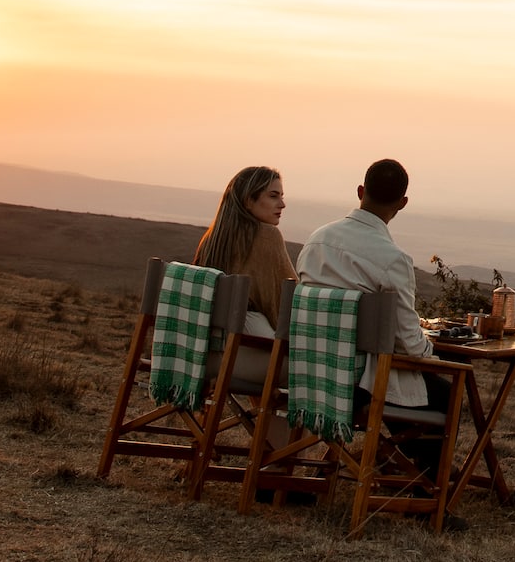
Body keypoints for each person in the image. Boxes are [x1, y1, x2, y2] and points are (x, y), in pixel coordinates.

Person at [295, 157, 448, 420]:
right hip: (357, 385)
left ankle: (393, 459)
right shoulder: (393, 258)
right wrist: (433, 354)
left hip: (307, 372)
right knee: (445, 390)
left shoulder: (316, 240)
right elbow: (409, 344)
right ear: (403, 203)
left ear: (360, 192)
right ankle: (414, 462)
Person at [192, 165, 297, 396]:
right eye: (273, 196)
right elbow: (287, 307)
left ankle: (266, 432)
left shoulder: (212, 240)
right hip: (244, 357)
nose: (282, 204)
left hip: (203, 356)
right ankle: (300, 433)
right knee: (313, 373)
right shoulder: (267, 235)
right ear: (248, 200)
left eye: (281, 196)